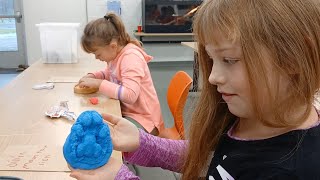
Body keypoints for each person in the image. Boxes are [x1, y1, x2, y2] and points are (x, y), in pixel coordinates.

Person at [70, 0, 320, 179]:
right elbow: (210, 158)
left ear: (292, 60)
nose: (212, 77)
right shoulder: (249, 119)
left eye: (230, 60)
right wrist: (142, 143)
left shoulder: (293, 169)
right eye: (212, 60)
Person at [78, 13, 164, 136]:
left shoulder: (130, 57)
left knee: (107, 134)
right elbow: (111, 73)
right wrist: (93, 76)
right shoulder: (116, 55)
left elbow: (130, 95)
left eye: (97, 53)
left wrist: (99, 84)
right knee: (98, 124)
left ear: (112, 46)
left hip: (145, 120)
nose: (96, 58)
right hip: (130, 112)